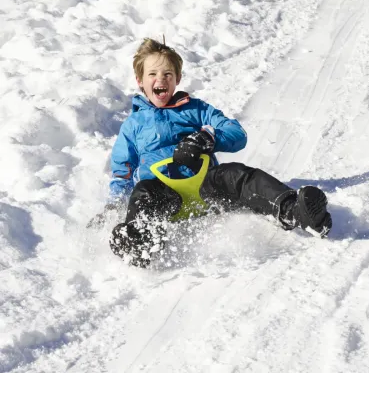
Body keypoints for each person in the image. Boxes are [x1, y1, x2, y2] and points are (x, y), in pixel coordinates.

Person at [94, 38, 332, 267]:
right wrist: (115, 204)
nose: (161, 80)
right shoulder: (133, 125)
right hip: (163, 192)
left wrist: (206, 138)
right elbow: (122, 170)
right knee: (143, 192)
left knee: (238, 175)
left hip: (205, 184)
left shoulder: (196, 109)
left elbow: (236, 133)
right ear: (140, 81)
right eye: (153, 74)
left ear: (177, 79)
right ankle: (141, 243)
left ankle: (295, 211)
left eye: (168, 74)